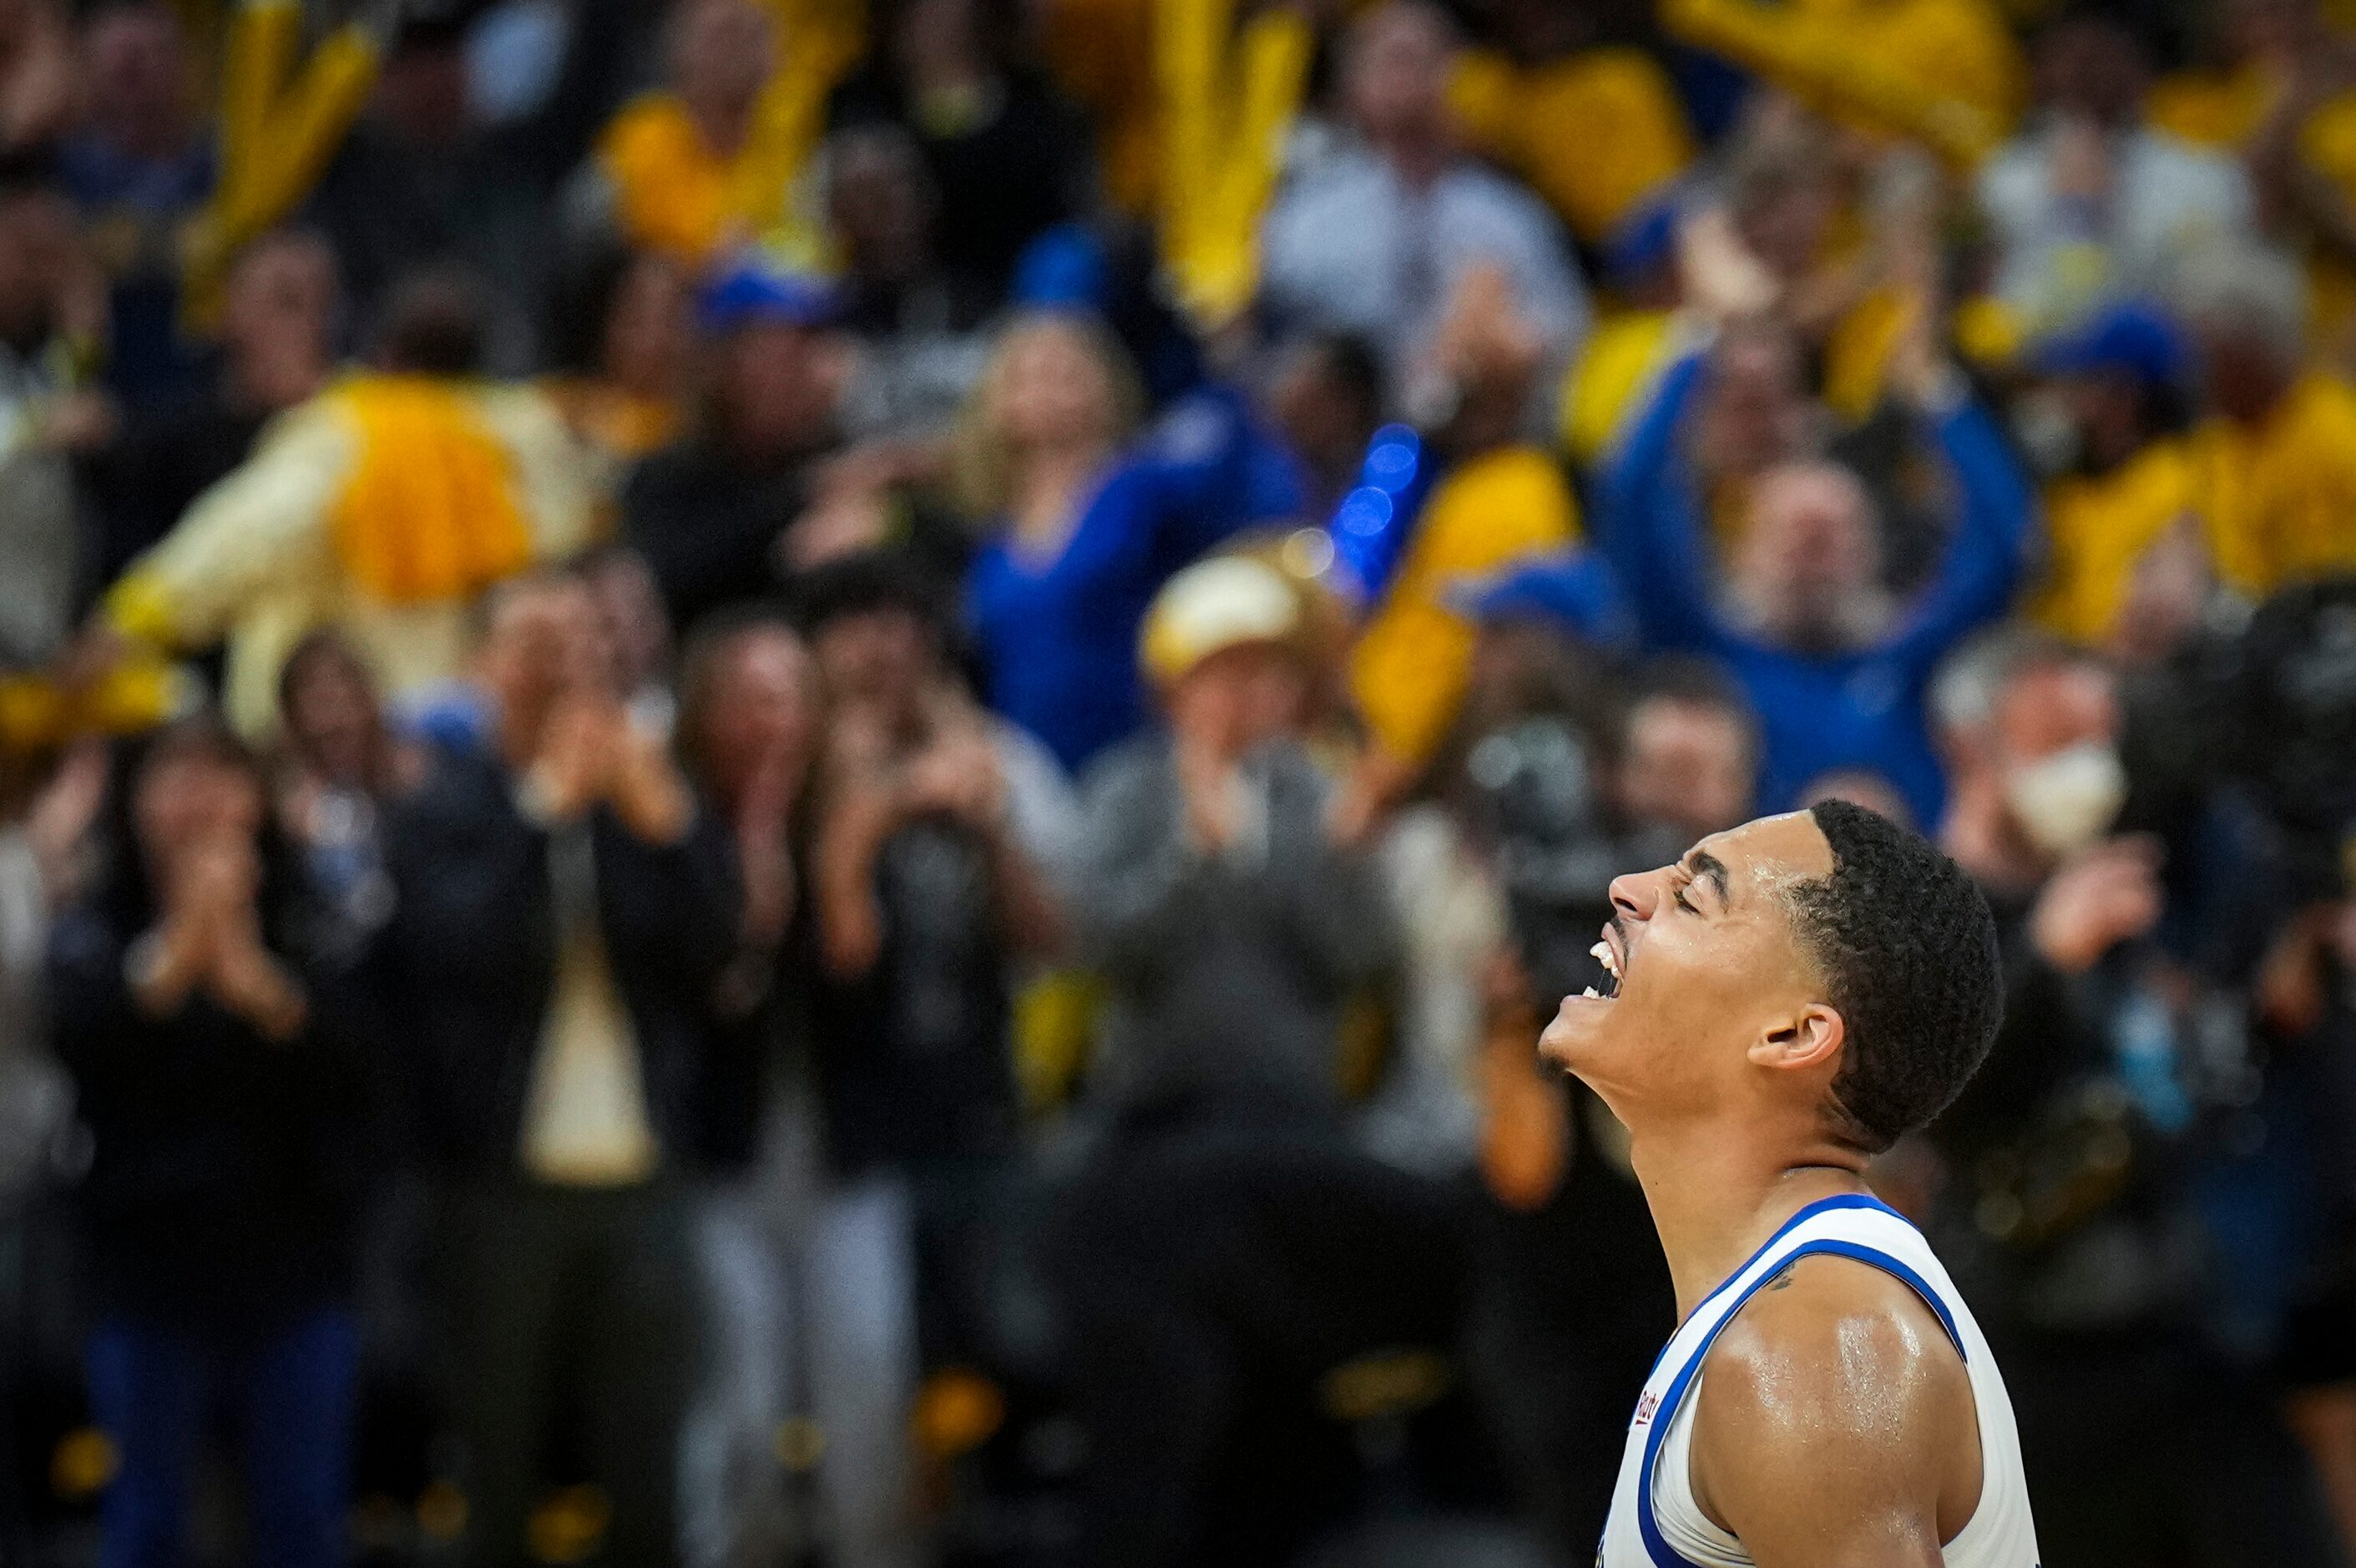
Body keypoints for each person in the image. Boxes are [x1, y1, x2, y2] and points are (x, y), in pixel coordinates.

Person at [1539, 798, 2038, 1566]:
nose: (1627, 888)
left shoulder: (1813, 1352)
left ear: (1792, 1035)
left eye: (1691, 898)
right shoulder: (1785, 1313)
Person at [377, 568, 738, 1568]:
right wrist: (543, 813)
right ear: (483, 667)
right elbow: (455, 955)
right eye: (537, 646)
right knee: (497, 1469)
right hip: (498, 1185)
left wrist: (668, 828)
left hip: (641, 1173)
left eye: (584, 646)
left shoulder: (643, 794)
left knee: (648, 1467)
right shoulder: (442, 807)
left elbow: (717, 960)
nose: (566, 670)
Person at [49, 715, 375, 1568]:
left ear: (258, 798)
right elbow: (81, 1053)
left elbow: (361, 1075)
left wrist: (255, 983)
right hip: (146, 1277)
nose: (199, 800)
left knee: (302, 1524)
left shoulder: (315, 912)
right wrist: (178, 955)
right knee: (148, 1523)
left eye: (222, 775)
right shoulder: (97, 916)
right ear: (137, 800)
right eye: (175, 776)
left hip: (297, 1276)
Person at [93, 268, 598, 736]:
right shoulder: (521, 431)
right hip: (472, 714)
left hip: (338, 722)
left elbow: (251, 536)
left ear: (383, 355)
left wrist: (131, 617)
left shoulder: (346, 430)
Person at [958, 311, 1306, 775]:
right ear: (998, 402)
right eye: (1027, 375)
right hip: (1027, 766)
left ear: (1105, 386)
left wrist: (1229, 371)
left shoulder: (1144, 487)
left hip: (1137, 756)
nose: (1046, 389)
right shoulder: (993, 532)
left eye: (1065, 372)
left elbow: (1256, 507)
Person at [1258, 0, 1588, 407]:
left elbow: (1564, 334)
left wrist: (1499, 345)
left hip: (1469, 439)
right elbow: (1270, 338)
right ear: (1351, 86)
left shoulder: (1501, 211)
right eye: (1388, 59)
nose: (1404, 76)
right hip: (1341, 444)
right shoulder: (1306, 216)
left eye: (1421, 58)